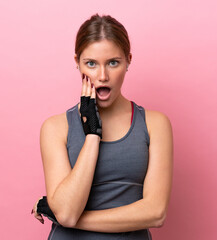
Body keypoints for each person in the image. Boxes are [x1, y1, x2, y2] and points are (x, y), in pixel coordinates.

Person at [31, 13, 173, 239]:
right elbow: (66, 215)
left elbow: (156, 213)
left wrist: (59, 213)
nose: (103, 75)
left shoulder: (155, 124)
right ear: (77, 63)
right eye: (91, 64)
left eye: (113, 62)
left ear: (129, 60)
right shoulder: (55, 128)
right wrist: (92, 135)